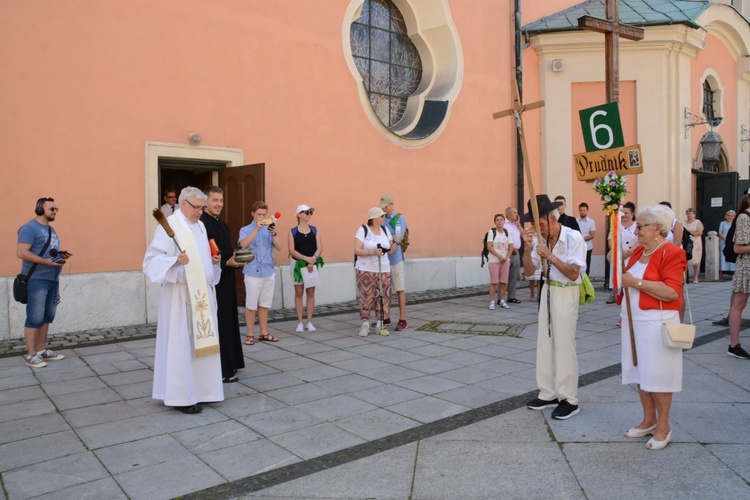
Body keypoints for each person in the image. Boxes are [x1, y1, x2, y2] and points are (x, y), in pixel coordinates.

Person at [143, 187, 224, 414]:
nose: (200, 212)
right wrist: (175, 261)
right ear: (184, 204)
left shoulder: (199, 225)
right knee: (182, 346)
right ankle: (181, 396)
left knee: (202, 345)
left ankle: (203, 390)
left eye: (202, 207)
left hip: (201, 296)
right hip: (181, 296)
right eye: (197, 207)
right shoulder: (170, 226)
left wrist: (213, 261)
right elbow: (150, 262)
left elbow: (201, 258)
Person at [618, 204, 687, 450]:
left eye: (640, 226)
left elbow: (671, 292)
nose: (636, 230)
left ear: (657, 227)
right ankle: (648, 419)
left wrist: (636, 282)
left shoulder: (672, 252)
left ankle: (663, 427)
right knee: (641, 373)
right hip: (634, 323)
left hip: (656, 324)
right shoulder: (639, 252)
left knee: (658, 376)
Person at [522, 195, 587, 420]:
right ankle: (547, 392)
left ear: (552, 219)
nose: (536, 229)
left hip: (566, 291)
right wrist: (527, 247)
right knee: (545, 342)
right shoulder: (539, 240)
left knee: (564, 345)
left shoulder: (573, 237)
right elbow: (529, 272)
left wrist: (549, 256)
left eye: (539, 224)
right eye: (533, 225)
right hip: (547, 289)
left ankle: (568, 398)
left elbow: (573, 273)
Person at [16, 197, 70, 368]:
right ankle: (30, 354)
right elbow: (22, 252)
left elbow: (48, 252)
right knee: (34, 317)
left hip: (52, 279)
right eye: (51, 209)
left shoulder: (51, 229)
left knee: (46, 317)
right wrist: (46, 262)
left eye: (56, 209)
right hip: (36, 280)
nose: (55, 212)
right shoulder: (29, 228)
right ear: (40, 210)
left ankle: (41, 350)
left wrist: (60, 256)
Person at [201, 186, 246, 383]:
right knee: (219, 321)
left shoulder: (223, 224)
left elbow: (225, 250)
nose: (219, 204)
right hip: (212, 281)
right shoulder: (202, 224)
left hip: (226, 278)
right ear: (205, 202)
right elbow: (205, 254)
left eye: (221, 200)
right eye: (215, 200)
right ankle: (222, 368)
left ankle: (231, 361)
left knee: (229, 320)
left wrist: (235, 258)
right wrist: (224, 262)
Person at [239, 201, 280, 345]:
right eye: (259, 214)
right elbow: (243, 244)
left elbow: (279, 247)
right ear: (253, 214)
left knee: (264, 304)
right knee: (251, 305)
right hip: (252, 271)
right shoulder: (245, 229)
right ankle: (250, 334)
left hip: (268, 271)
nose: (262, 217)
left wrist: (274, 234)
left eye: (264, 214)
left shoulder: (269, 229)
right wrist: (256, 229)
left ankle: (264, 332)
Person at [354, 207, 395, 337]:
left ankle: (380, 323)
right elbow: (357, 249)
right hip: (366, 269)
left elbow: (389, 249)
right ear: (374, 218)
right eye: (381, 216)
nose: (383, 218)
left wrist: (398, 241)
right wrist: (371, 252)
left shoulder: (385, 230)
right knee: (366, 297)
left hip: (383, 268)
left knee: (384, 297)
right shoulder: (363, 230)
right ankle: (365, 324)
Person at [288, 204, 322, 332]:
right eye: (306, 212)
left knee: (311, 292)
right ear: (299, 214)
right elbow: (291, 250)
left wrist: (314, 258)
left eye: (310, 213)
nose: (309, 215)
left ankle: (309, 321)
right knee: (298, 292)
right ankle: (300, 322)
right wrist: (305, 259)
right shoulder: (293, 231)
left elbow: (320, 247)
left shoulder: (314, 230)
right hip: (298, 264)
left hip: (311, 264)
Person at [727, 195, 750, 359]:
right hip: (747, 267)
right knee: (738, 305)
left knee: (737, 304)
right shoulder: (744, 217)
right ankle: (734, 345)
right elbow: (738, 248)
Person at [380, 195, 408, 331]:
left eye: (385, 206)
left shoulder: (398, 218)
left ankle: (403, 319)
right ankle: (386, 317)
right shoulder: (382, 218)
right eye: (382, 206)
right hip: (385, 259)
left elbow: (399, 236)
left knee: (399, 289)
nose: (384, 209)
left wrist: (393, 245)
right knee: (386, 289)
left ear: (391, 204)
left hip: (395, 258)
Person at [606, 201, 637, 304]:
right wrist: (619, 251)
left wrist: (630, 251)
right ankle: (614, 293)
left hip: (634, 255)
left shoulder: (637, 226)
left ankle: (631, 294)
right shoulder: (616, 225)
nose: (624, 215)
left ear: (632, 213)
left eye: (626, 213)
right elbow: (610, 241)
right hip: (619, 255)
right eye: (622, 213)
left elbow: (641, 241)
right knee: (616, 273)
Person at [486, 213, 514, 310]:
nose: (499, 221)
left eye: (501, 219)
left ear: (504, 221)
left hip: (505, 260)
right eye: (497, 220)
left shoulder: (507, 232)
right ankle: (492, 302)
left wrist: (507, 257)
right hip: (494, 260)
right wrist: (499, 256)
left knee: (503, 282)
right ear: (495, 222)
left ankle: (503, 300)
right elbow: (489, 246)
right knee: (494, 282)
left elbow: (511, 246)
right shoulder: (491, 232)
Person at [504, 206, 524, 304]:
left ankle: (511, 296)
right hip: (506, 252)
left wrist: (519, 224)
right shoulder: (504, 224)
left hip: (516, 253)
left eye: (516, 213)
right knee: (503, 275)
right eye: (514, 213)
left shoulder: (516, 225)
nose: (517, 215)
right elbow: (502, 239)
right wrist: (510, 249)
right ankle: (501, 297)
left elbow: (524, 235)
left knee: (514, 276)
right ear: (508, 214)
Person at [684, 208, 703, 284]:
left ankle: (696, 277)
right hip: (687, 242)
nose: (689, 215)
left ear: (694, 214)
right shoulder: (683, 223)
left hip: (696, 242)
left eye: (691, 213)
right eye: (688, 213)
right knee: (686, 258)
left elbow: (699, 232)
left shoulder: (697, 222)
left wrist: (689, 232)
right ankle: (685, 277)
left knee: (696, 259)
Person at [576, 202, 596, 276]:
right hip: (578, 247)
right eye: (581, 210)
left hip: (588, 247)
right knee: (578, 264)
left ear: (587, 211)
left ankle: (586, 280)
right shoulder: (576, 221)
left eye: (584, 210)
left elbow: (592, 235)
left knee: (587, 264)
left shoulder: (591, 222)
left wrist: (581, 239)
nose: (582, 212)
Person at [718, 210, 736, 279]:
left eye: (731, 216)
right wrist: (726, 239)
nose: (730, 217)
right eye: (728, 215)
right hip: (723, 242)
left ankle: (734, 273)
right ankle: (721, 273)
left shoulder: (735, 224)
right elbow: (720, 232)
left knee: (732, 256)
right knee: (722, 257)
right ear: (726, 216)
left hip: (732, 242)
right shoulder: (722, 223)